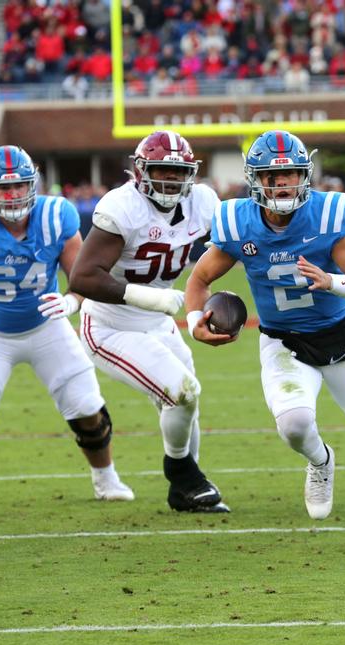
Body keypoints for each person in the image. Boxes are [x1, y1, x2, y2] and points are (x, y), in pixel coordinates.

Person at [184, 129, 345, 546]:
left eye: (290, 176)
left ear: (305, 176)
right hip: (284, 341)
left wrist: (333, 282)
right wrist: (196, 318)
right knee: (294, 425)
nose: (283, 185)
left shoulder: (327, 214)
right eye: (273, 176)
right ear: (256, 180)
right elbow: (199, 278)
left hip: (341, 337)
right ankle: (321, 460)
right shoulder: (238, 222)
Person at [0, 145, 133, 502]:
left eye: (19, 186)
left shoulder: (55, 216)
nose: (12, 194)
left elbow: (83, 275)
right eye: (3, 188)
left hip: (46, 326)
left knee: (87, 406)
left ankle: (106, 478)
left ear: (31, 184)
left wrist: (71, 300)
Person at [67, 131, 229, 513]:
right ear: (140, 171)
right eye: (161, 170)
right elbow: (83, 278)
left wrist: (211, 305)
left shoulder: (202, 202)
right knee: (181, 391)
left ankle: (186, 488)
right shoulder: (123, 206)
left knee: (188, 402)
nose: (170, 180)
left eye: (178, 172)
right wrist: (152, 297)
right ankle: (183, 475)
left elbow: (232, 245)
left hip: (158, 321)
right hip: (111, 325)